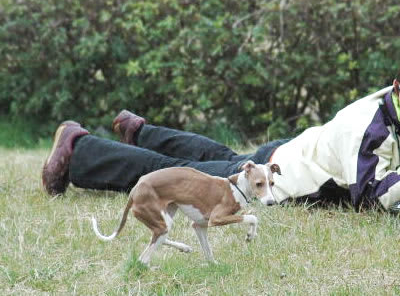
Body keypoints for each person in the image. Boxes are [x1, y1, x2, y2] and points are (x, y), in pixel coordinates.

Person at [42, 80, 400, 212]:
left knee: (225, 158)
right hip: (284, 178)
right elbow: (369, 195)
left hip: (292, 153)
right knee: (170, 179)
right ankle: (80, 151)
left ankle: (141, 132)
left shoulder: (385, 106)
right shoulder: (372, 131)